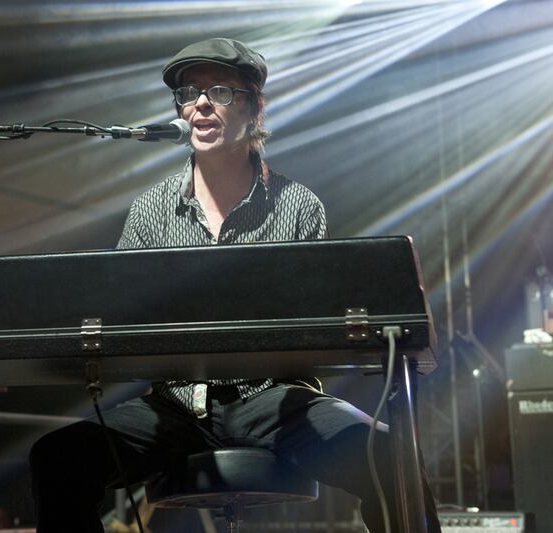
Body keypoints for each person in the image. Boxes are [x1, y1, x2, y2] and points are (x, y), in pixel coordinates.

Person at [29, 38, 441, 533]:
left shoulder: (298, 205)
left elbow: (312, 322)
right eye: (189, 92)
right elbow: (122, 319)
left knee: (391, 457)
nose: (200, 102)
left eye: (220, 91)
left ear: (252, 109)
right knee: (57, 458)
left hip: (273, 399)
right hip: (174, 404)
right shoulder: (148, 211)